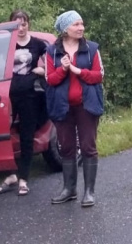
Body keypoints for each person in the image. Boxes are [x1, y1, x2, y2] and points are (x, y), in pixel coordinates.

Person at [45, 10, 105, 207]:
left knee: (88, 146)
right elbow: (50, 80)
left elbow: (98, 76)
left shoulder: (92, 49)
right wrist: (63, 69)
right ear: (65, 29)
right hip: (62, 107)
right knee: (66, 147)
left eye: (82, 24)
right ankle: (69, 189)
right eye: (76, 25)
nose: (81, 28)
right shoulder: (52, 52)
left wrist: (77, 70)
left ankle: (89, 192)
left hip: (86, 105)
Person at [0, 10, 48, 196]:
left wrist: (43, 69)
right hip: (7, 97)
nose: (21, 28)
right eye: (17, 24)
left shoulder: (37, 44)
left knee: (26, 138)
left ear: (28, 24)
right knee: (4, 136)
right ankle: (11, 175)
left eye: (24, 24)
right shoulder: (5, 45)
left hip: (30, 96)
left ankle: (23, 179)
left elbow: (54, 61)